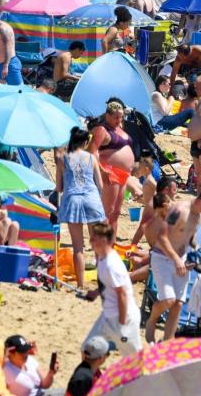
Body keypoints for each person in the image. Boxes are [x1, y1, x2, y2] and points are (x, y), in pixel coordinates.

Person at [144, 187, 201, 342]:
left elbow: (190, 236)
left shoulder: (200, 216)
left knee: (178, 304)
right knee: (168, 300)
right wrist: (176, 259)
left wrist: (197, 251)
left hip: (182, 260)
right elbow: (162, 237)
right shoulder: (178, 210)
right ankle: (151, 320)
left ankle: (168, 341)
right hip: (163, 258)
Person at [56, 127, 106, 290]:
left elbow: (59, 187)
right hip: (91, 199)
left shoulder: (63, 159)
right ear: (85, 142)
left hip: (73, 201)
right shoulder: (91, 158)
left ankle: (80, 284)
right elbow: (100, 184)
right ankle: (101, 282)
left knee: (78, 247)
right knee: (97, 244)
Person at [83, 222, 141, 356]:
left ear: (103, 240)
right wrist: (96, 292)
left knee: (135, 360)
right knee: (87, 350)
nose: (90, 241)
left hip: (124, 319)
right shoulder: (102, 258)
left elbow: (123, 295)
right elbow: (108, 284)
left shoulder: (112, 264)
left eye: (93, 239)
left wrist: (121, 325)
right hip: (107, 316)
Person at [89, 100, 136, 231]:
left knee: (116, 212)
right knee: (107, 211)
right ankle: (101, 246)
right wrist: (102, 171)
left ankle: (111, 246)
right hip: (110, 173)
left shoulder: (120, 128)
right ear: (107, 115)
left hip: (123, 175)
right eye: (115, 117)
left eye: (121, 117)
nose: (119, 119)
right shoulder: (102, 130)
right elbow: (91, 152)